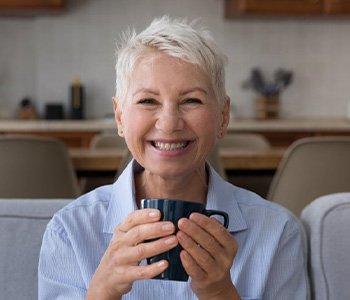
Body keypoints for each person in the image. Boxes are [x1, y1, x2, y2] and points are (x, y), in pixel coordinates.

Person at [38, 16, 309, 300]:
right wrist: (102, 291)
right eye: (147, 101)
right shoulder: (69, 231)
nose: (169, 124)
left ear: (223, 116)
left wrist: (219, 292)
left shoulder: (278, 232)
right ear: (120, 117)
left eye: (191, 100)